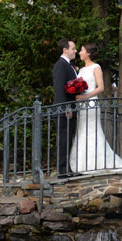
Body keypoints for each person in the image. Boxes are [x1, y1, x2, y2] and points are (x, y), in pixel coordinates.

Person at [69, 43, 122, 173]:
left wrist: (87, 97)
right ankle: (82, 163)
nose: (79, 53)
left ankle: (95, 162)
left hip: (91, 103)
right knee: (81, 131)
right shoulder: (80, 70)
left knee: (92, 131)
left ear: (88, 53)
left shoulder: (96, 67)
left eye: (81, 50)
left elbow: (100, 87)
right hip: (82, 104)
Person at [52, 38, 78, 177]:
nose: (75, 51)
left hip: (70, 109)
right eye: (73, 48)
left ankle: (67, 167)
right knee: (63, 140)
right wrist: (66, 107)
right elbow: (59, 88)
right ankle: (62, 170)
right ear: (65, 50)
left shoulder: (70, 65)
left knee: (68, 139)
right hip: (63, 110)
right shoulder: (61, 65)